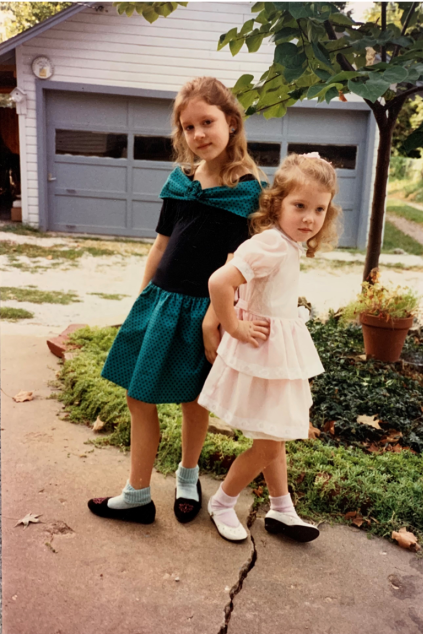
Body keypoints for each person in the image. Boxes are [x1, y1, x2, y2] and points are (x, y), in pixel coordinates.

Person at [89, 77, 266, 525]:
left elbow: (234, 263)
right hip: (161, 302)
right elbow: (160, 247)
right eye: (188, 127)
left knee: (194, 401)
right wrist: (142, 300)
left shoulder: (245, 189)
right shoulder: (181, 182)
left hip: (203, 310)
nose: (199, 134)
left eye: (207, 122)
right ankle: (137, 494)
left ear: (230, 121)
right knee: (137, 395)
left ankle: (188, 475)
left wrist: (215, 318)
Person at [197, 152, 341, 542]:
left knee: (274, 436)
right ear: (277, 203)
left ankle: (282, 508)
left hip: (275, 357)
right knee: (268, 443)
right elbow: (219, 282)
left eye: (319, 209)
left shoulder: (285, 244)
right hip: (262, 357)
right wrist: (234, 326)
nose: (309, 218)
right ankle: (223, 503)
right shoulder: (271, 245)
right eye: (299, 206)